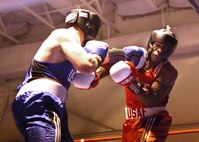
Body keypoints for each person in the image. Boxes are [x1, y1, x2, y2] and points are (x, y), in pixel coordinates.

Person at [11, 8, 109, 142]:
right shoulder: (65, 35)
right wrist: (98, 55)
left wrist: (113, 58)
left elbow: (84, 79)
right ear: (91, 28)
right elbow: (86, 66)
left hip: (46, 102)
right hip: (41, 100)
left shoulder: (70, 49)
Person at [73, 26, 178, 142]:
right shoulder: (137, 57)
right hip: (130, 121)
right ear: (151, 43)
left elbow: (152, 100)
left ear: (169, 51)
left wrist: (131, 81)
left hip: (153, 121)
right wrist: (96, 75)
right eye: (157, 45)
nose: (158, 50)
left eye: (164, 48)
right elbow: (111, 61)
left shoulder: (168, 71)